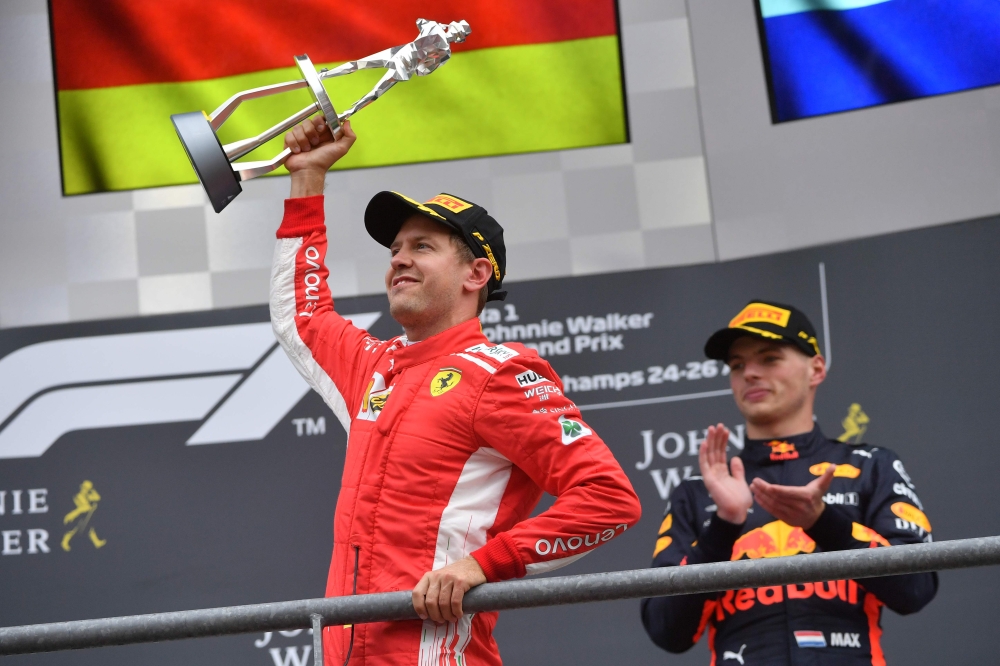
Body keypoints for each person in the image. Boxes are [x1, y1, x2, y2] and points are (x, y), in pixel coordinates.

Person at [270, 116, 641, 666]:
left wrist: (481, 566)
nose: (398, 258)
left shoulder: (501, 373)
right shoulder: (376, 368)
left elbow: (608, 499)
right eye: (395, 248)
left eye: (422, 246)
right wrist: (306, 180)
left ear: (476, 274)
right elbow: (302, 316)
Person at [641, 300, 937, 665]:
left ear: (815, 370)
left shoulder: (871, 466)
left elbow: (917, 589)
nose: (749, 373)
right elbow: (666, 632)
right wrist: (723, 525)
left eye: (769, 358)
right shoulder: (699, 490)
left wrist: (824, 522)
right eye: (737, 365)